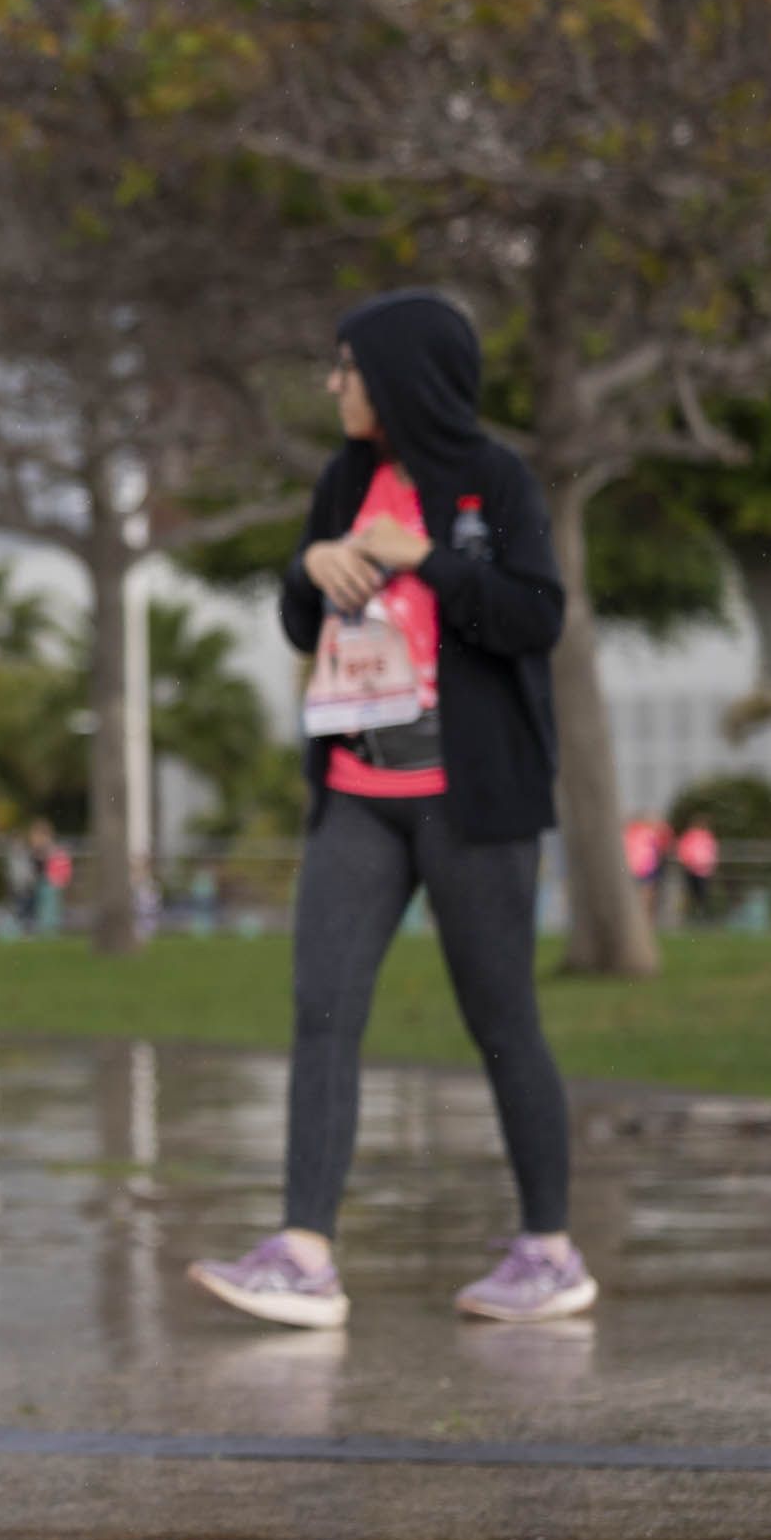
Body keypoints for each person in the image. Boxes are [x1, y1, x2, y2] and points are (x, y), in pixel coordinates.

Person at [189, 291, 595, 1331]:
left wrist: (429, 561)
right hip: (358, 797)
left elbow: (535, 616)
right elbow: (302, 621)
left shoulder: (496, 479)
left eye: (349, 367)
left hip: (473, 801)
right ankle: (304, 1256)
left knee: (501, 1021)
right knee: (321, 1010)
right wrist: (308, 567)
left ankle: (549, 1253)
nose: (335, 384)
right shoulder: (343, 480)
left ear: (402, 377)